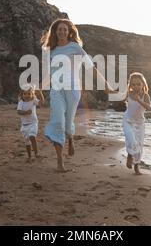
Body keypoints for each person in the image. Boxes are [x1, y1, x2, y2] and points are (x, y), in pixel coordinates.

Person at [40, 18, 116, 172]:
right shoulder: (50, 50)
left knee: (67, 123)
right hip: (56, 90)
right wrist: (40, 88)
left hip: (73, 89)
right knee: (58, 121)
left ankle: (70, 138)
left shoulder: (75, 47)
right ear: (55, 31)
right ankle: (60, 162)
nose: (62, 32)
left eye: (65, 29)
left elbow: (90, 67)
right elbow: (49, 73)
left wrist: (105, 85)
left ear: (69, 32)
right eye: (59, 29)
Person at [122, 72, 151, 175]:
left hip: (140, 123)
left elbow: (149, 108)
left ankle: (136, 165)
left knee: (139, 145)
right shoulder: (128, 94)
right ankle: (130, 155)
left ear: (143, 85)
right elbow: (119, 98)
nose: (136, 87)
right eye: (133, 84)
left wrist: (139, 100)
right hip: (128, 121)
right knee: (131, 139)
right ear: (130, 85)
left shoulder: (145, 96)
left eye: (138, 84)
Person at [17, 84, 44, 162]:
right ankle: (29, 156)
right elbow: (18, 111)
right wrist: (26, 112)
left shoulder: (33, 101)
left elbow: (41, 103)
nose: (27, 95)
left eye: (29, 93)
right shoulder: (21, 102)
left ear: (32, 94)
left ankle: (36, 153)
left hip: (33, 123)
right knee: (27, 142)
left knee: (32, 136)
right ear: (22, 94)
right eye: (25, 94)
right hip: (24, 125)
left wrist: (41, 93)